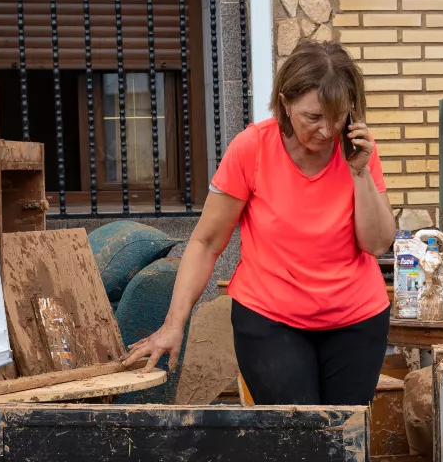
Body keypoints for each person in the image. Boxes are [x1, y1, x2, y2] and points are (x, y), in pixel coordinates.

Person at [123, 40, 396, 405]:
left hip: (357, 319)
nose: (327, 130)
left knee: (344, 446)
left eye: (338, 115)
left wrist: (360, 173)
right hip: (271, 320)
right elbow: (206, 243)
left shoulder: (357, 150)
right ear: (285, 102)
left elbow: (377, 244)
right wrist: (174, 325)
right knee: (297, 438)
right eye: (313, 117)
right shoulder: (253, 148)